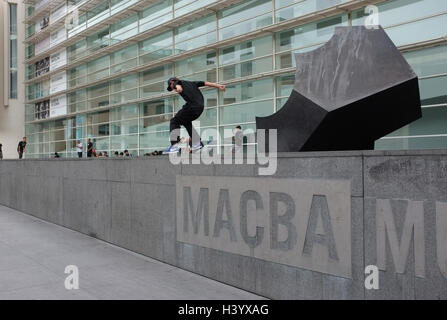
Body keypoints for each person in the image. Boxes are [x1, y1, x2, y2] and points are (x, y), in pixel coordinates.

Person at [164, 77, 226, 153]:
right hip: (200, 108)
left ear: (172, 82)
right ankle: (197, 142)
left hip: (192, 106)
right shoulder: (192, 83)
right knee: (186, 121)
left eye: (172, 88)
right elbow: (205, 83)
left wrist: (177, 87)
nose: (174, 90)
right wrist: (218, 85)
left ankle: (175, 145)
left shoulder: (176, 83)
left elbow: (178, 84)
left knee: (174, 121)